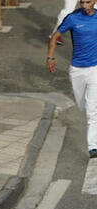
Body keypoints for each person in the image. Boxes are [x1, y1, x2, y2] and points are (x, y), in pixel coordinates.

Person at [48, 0, 97, 158]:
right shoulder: (72, 18)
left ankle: (92, 146)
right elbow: (55, 36)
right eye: (82, 2)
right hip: (77, 69)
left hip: (95, 69)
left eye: (87, 2)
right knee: (82, 104)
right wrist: (50, 58)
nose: (84, 5)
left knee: (92, 110)